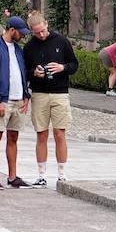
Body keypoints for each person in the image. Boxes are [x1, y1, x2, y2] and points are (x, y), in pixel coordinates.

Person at [23, 11, 78, 187]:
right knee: (41, 134)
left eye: (43, 30)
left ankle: (62, 174)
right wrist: (34, 73)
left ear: (46, 24)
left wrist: (62, 67)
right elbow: (25, 70)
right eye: (37, 33)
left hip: (60, 92)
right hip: (39, 93)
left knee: (60, 133)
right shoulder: (30, 47)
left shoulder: (61, 41)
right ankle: (41, 175)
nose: (41, 34)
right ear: (31, 31)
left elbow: (74, 65)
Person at [0, 16, 32, 189]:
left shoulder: (18, 50)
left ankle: (12, 177)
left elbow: (22, 72)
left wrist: (26, 95)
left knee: (13, 137)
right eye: (21, 32)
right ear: (12, 30)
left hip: (19, 99)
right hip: (4, 100)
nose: (23, 36)